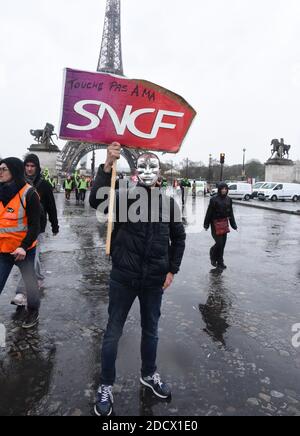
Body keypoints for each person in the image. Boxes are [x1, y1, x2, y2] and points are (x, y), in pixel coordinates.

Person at [89, 142, 186, 417]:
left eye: (152, 167)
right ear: (135, 171)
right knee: (112, 333)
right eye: (142, 166)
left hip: (154, 279)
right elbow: (96, 200)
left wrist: (172, 270)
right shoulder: (123, 197)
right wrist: (107, 165)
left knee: (151, 331)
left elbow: (178, 238)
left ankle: (148, 374)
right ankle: (106, 384)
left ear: (160, 172)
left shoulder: (169, 203)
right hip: (124, 276)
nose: (147, 170)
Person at [11, 154, 59, 307]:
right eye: (27, 166)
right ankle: (37, 278)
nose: (30, 169)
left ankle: (22, 292)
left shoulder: (44, 185)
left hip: (37, 227)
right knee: (30, 258)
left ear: (37, 168)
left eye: (33, 166)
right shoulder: (17, 183)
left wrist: (55, 225)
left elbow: (51, 206)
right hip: (20, 228)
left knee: (30, 259)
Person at [0, 158, 41, 329]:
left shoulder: (30, 194)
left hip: (23, 250)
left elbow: (35, 225)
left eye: (4, 169)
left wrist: (23, 246)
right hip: (3, 249)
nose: (0, 172)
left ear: (14, 171)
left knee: (30, 284)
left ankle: (33, 311)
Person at [204, 182, 237, 270]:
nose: (224, 190)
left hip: (224, 224)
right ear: (219, 189)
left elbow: (231, 213)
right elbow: (209, 212)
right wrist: (206, 224)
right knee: (219, 243)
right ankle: (213, 254)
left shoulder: (229, 199)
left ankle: (220, 262)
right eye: (222, 189)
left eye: (225, 189)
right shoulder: (214, 199)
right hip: (215, 224)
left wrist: (233, 224)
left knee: (223, 244)